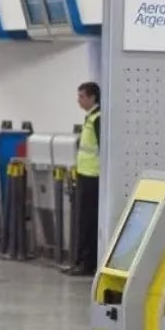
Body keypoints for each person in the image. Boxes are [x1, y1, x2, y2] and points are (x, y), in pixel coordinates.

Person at [69, 81, 101, 277]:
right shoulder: (90, 118)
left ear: (92, 97)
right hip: (84, 174)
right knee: (82, 220)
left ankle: (87, 263)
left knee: (88, 222)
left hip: (93, 178)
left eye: (82, 96)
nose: (79, 100)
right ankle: (80, 260)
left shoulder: (98, 119)